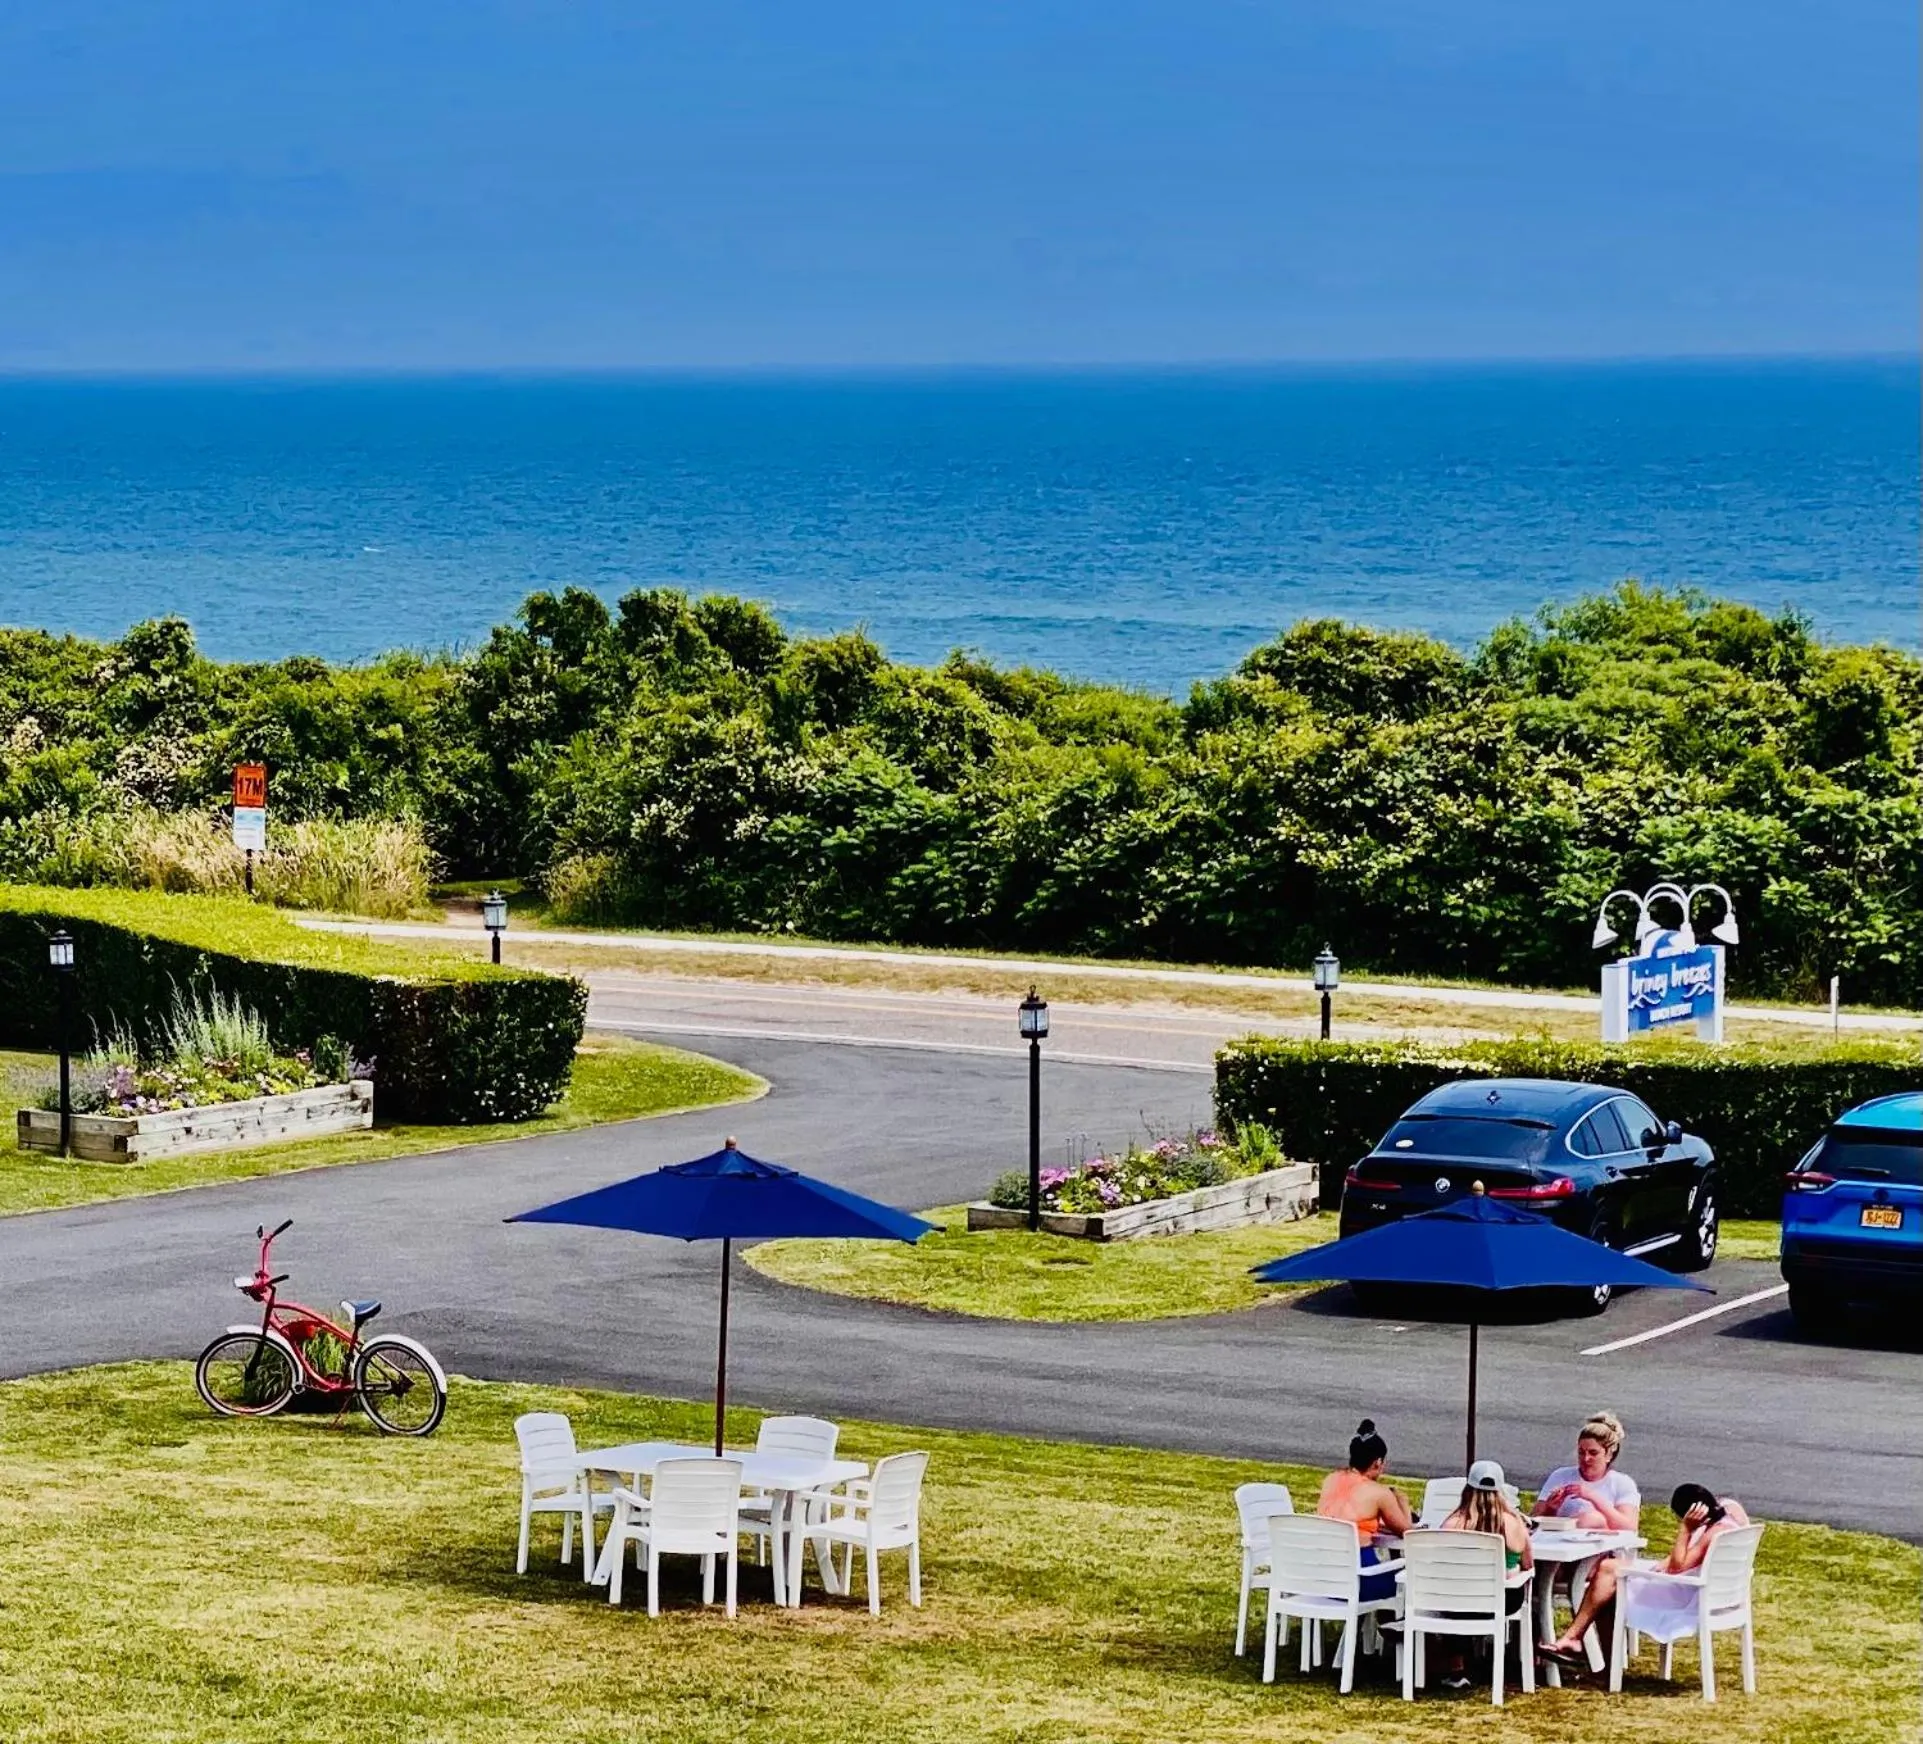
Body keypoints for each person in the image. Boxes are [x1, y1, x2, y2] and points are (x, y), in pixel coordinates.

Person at [1545, 1482, 1749, 1661]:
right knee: (1610, 1574)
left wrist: (1686, 1529)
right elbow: (1694, 1554)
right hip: (1708, 1590)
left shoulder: (1714, 1533)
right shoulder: (1731, 1517)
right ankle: (1578, 1641)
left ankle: (1579, 1642)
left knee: (1607, 1574)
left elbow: (1679, 1566)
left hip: (1685, 1596)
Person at [1435, 1460, 1536, 1689]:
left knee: (1456, 1595)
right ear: (1501, 1492)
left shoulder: (1453, 1523)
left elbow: (1439, 1558)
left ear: (1467, 1489)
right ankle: (1516, 1660)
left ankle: (1456, 1669)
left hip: (1458, 1601)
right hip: (1502, 1600)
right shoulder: (1514, 1524)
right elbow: (1529, 1563)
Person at [1317, 1418, 1413, 1601]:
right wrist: (1403, 1502)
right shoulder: (1379, 1493)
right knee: (1408, 1579)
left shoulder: (1330, 1480)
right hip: (1358, 1577)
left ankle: (1363, 1627)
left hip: (1325, 1575)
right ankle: (1390, 1626)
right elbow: (1407, 1531)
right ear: (1377, 1462)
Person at [1532, 1411, 1640, 1533]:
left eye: (1593, 1453)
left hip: (1606, 1549)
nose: (1586, 1459)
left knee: (1591, 1519)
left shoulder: (1622, 1483)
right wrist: (1550, 1508)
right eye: (1581, 1452)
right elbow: (1533, 1521)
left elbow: (1629, 1527)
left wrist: (1592, 1497)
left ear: (1608, 1454)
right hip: (1562, 1544)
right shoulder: (1560, 1476)